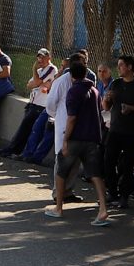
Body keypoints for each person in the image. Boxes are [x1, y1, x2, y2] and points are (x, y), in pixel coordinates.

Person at [49, 56, 111, 227]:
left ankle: (59, 207)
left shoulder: (73, 91)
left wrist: (65, 139)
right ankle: (103, 208)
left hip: (76, 138)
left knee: (61, 171)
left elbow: (71, 118)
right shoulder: (95, 91)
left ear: (71, 76)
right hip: (92, 139)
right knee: (95, 174)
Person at [101, 55, 134, 210]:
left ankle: (124, 197)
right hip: (115, 129)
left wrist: (132, 108)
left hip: (132, 131)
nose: (119, 68)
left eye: (122, 65)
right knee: (108, 160)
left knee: (128, 164)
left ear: (130, 67)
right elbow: (106, 107)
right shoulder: (116, 84)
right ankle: (112, 192)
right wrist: (107, 98)